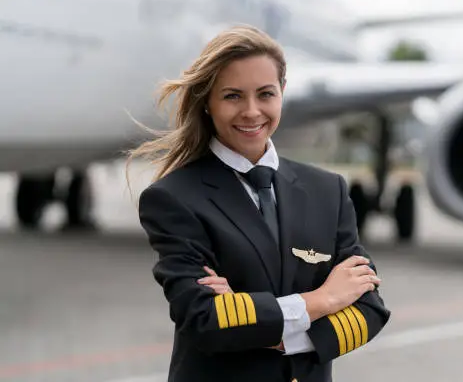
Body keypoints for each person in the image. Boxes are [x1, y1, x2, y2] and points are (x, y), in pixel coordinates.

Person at [129, 24, 391, 382]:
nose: (252, 111)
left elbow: (370, 308)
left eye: (265, 94)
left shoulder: (327, 190)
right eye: (233, 96)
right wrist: (323, 300)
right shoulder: (174, 198)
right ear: (208, 102)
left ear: (282, 92)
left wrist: (270, 331)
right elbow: (204, 319)